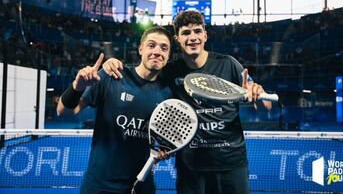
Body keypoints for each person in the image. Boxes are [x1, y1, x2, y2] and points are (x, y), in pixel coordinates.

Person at [102, 11, 273, 194]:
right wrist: (111, 64)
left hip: (231, 165)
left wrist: (259, 94)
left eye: (197, 32)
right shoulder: (171, 71)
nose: (193, 37)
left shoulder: (229, 64)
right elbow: (143, 75)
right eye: (186, 33)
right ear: (177, 39)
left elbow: (265, 108)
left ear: (205, 36)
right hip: (190, 168)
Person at [57, 26, 173, 194]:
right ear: (141, 49)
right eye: (151, 45)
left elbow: (164, 140)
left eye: (164, 48)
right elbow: (64, 110)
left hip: (141, 187)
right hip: (100, 186)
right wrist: (77, 86)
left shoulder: (168, 93)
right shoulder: (113, 76)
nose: (157, 51)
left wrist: (164, 150)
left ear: (168, 55)